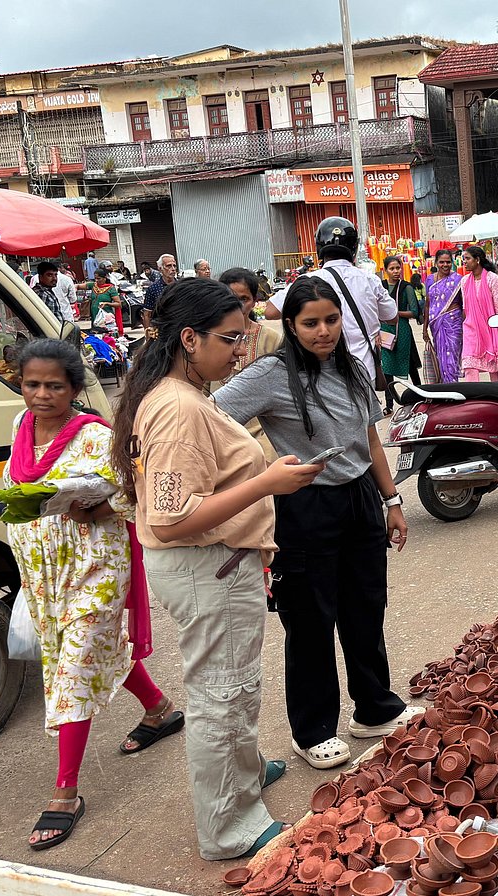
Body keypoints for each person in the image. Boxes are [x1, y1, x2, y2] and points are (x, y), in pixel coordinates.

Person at [111, 278, 323, 860]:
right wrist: (267, 483)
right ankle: (228, 825)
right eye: (230, 338)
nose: (240, 349)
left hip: (212, 565)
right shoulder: (178, 407)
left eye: (245, 334)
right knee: (220, 694)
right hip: (209, 568)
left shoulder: (170, 393)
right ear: (188, 338)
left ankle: (246, 774)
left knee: (232, 686)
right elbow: (175, 515)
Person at [214, 276, 421, 771]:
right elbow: (210, 419)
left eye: (331, 320)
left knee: (365, 609)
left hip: (360, 503)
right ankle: (313, 731)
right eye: (310, 323)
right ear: (290, 325)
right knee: (309, 623)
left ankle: (375, 709)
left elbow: (369, 441)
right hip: (305, 508)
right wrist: (256, 476)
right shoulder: (269, 375)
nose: (323, 331)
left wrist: (391, 501)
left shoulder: (350, 364)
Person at [6, 339, 180, 851]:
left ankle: (65, 792)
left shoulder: (97, 436)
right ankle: (159, 709)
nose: (41, 395)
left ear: (75, 388)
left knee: (76, 664)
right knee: (93, 650)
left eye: (53, 386)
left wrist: (99, 511)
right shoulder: (19, 427)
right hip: (44, 572)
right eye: (32, 384)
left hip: (95, 565)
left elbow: (138, 489)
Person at [268, 219, 397, 383]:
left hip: (322, 374)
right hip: (364, 371)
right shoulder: (370, 280)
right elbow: (392, 316)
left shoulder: (308, 280)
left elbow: (270, 311)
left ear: (319, 247)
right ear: (354, 248)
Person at [218, 267, 283, 376]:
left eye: (244, 299)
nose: (238, 305)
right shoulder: (210, 336)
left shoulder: (272, 339)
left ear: (254, 301)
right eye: (231, 298)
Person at [380, 255, 424, 411]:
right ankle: (389, 404)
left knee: (409, 363)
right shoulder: (381, 286)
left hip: (402, 329)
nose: (395, 271)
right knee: (386, 367)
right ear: (385, 270)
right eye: (391, 268)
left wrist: (394, 313)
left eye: (398, 268)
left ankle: (421, 395)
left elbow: (413, 311)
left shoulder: (407, 287)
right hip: (385, 330)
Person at [459, 245, 498, 381]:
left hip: (490, 329)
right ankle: (473, 398)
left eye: (467, 258)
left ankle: (497, 396)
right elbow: (465, 308)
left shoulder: (492, 279)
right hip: (471, 330)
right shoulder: (464, 281)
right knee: (469, 365)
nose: (465, 262)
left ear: (477, 260)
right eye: (464, 259)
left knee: (494, 368)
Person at [423, 249, 464, 384]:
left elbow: (464, 304)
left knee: (452, 357)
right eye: (441, 262)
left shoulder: (458, 280)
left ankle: (453, 387)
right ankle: (446, 389)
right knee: (441, 357)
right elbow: (428, 305)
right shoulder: (429, 280)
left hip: (454, 324)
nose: (445, 265)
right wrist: (424, 329)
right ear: (436, 263)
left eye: (448, 262)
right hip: (436, 325)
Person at [79, 266, 124, 336]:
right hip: (95, 316)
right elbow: (78, 286)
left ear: (104, 278)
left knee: (107, 336)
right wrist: (75, 287)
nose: (96, 280)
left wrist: (107, 303)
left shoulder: (111, 288)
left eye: (98, 278)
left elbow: (118, 304)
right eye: (95, 278)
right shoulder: (93, 285)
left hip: (106, 317)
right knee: (97, 335)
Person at [142, 253, 178, 330]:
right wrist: (148, 334)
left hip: (180, 329)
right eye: (168, 266)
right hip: (162, 330)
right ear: (160, 268)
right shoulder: (153, 289)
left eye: (174, 265)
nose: (173, 269)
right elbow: (147, 314)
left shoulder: (182, 286)